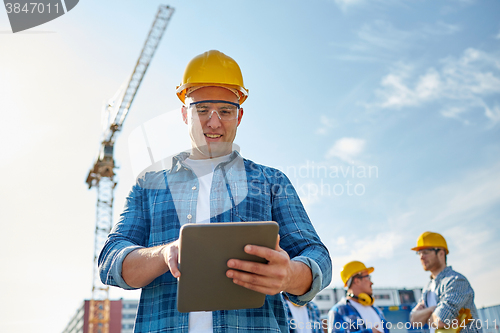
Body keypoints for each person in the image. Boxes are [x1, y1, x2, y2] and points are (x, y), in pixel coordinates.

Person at [98, 50, 332, 333]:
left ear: (239, 116)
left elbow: (317, 256)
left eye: (225, 111)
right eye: (201, 110)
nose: (213, 122)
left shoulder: (271, 182)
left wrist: (290, 275)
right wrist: (164, 254)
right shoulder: (149, 185)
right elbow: (111, 259)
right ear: (184, 114)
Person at [410, 232, 480, 333]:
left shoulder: (456, 281)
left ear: (441, 253)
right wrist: (432, 309)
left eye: (425, 252)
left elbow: (441, 320)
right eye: (419, 253)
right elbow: (414, 321)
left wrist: (424, 317)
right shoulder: (428, 288)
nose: (421, 257)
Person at [327, 261, 389, 333]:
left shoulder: (376, 309)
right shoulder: (339, 311)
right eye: (368, 277)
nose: (371, 283)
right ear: (357, 281)